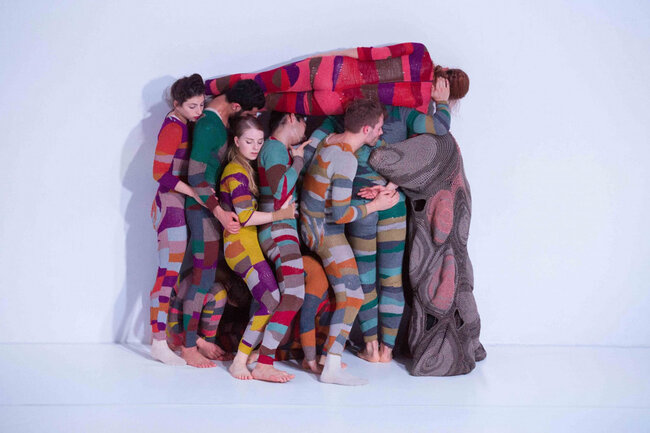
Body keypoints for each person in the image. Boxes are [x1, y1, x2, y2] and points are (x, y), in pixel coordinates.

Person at [308, 75, 457, 363]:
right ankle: (387, 350)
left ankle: (371, 347)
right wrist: (442, 103)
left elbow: (313, 148)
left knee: (365, 279)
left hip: (358, 203)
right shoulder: (403, 113)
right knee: (391, 279)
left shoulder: (346, 116)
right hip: (392, 202)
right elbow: (439, 130)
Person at [299, 98, 399, 385]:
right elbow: (341, 214)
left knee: (346, 293)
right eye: (378, 128)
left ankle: (326, 358)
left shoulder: (330, 140)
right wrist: (376, 206)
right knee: (353, 296)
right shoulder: (346, 159)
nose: (381, 133)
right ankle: (331, 367)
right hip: (324, 232)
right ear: (366, 129)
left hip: (312, 225)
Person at [180, 79, 266, 368]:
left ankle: (201, 340)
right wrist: (218, 212)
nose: (253, 118)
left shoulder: (220, 121)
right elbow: (195, 176)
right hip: (202, 210)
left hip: (212, 210)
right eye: (251, 113)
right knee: (202, 280)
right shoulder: (208, 125)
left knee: (208, 279)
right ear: (237, 106)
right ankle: (187, 346)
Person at [219, 115, 296, 382]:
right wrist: (281, 214)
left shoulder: (244, 167)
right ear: (236, 141)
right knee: (271, 299)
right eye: (249, 141)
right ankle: (240, 361)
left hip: (247, 245)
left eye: (259, 142)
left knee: (269, 299)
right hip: (240, 247)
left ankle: (247, 358)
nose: (255, 147)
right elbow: (244, 217)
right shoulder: (235, 171)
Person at [204, 42, 448, 115]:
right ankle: (210, 111)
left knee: (258, 81)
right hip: (335, 104)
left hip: (331, 70)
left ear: (446, 71)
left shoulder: (420, 52)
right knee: (265, 103)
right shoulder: (423, 107)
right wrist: (442, 104)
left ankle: (203, 90)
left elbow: (369, 54)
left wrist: (326, 55)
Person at [149, 74, 205, 366]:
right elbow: (159, 173)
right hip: (169, 203)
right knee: (167, 275)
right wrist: (192, 192)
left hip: (177, 203)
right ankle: (158, 342)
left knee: (173, 275)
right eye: (192, 106)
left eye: (201, 105)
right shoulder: (173, 127)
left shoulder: (184, 123)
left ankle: (164, 337)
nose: (198, 111)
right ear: (176, 104)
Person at [255, 112, 311, 367]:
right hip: (278, 229)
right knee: (294, 295)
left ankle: (256, 355)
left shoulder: (278, 149)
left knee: (285, 296)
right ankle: (264, 362)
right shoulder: (275, 149)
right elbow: (280, 191)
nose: (306, 127)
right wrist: (298, 161)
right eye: (303, 120)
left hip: (281, 229)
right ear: (291, 118)